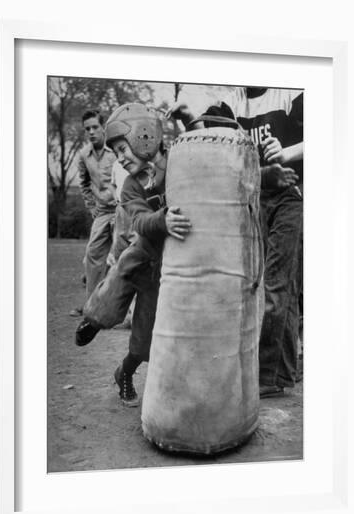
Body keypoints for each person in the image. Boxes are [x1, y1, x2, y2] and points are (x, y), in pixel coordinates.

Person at [168, 86, 303, 398]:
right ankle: (281, 371)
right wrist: (189, 117)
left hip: (290, 195)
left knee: (276, 285)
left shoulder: (290, 93)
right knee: (263, 285)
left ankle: (267, 376)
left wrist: (287, 152)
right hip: (254, 198)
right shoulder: (231, 103)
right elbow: (214, 146)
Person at [76, 103, 192, 406]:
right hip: (140, 254)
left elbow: (204, 158)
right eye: (115, 152)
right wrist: (162, 220)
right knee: (111, 294)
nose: (121, 158)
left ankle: (123, 373)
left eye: (123, 148)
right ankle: (93, 319)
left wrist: (190, 120)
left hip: (163, 270)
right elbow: (140, 221)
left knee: (143, 343)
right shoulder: (129, 186)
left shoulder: (177, 165)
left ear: (145, 136)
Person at [69, 110, 117, 317]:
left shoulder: (116, 149)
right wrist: (92, 207)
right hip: (102, 213)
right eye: (87, 128)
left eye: (95, 127)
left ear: (103, 127)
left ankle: (124, 309)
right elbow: (84, 183)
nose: (91, 132)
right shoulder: (83, 155)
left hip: (122, 210)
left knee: (122, 256)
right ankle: (92, 307)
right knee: (92, 255)